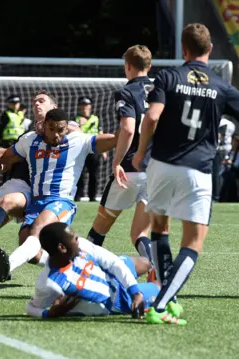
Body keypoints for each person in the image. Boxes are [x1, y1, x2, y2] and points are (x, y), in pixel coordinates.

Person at [131, 23, 239, 325]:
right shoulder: (221, 86)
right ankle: (161, 304)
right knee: (193, 243)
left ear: (184, 48)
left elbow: (151, 117)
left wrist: (140, 152)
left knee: (160, 230)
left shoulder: (167, 76)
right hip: (197, 170)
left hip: (161, 166)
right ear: (210, 49)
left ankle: (168, 297)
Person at [0, 108, 117, 282]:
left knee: (36, 231)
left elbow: (114, 140)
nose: (56, 134)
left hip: (61, 201)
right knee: (30, 251)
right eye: (52, 129)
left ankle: (8, 265)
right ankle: (71, 263)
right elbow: (6, 158)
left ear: (67, 128)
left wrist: (130, 126)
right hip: (36, 202)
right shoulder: (29, 140)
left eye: (61, 129)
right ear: (44, 126)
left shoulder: (79, 141)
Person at [0, 90, 77, 281]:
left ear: (54, 107)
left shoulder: (64, 129)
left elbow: (81, 134)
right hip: (14, 184)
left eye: (41, 101)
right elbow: (5, 163)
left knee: (9, 205)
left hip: (34, 191)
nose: (36, 103)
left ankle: (7, 263)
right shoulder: (28, 135)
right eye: (34, 101)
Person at [85, 45, 155, 274]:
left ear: (127, 66)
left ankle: (80, 274)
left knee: (101, 226)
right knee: (140, 234)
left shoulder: (127, 92)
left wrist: (116, 163)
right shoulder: (161, 92)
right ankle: (155, 272)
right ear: (150, 66)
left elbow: (127, 129)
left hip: (131, 169)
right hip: (157, 171)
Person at [26, 222, 161, 319]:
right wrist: (48, 314)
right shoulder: (50, 283)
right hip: (115, 300)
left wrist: (135, 292)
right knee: (161, 288)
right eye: (75, 239)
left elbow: (113, 262)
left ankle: (141, 285)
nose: (79, 240)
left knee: (145, 263)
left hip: (110, 274)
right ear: (62, 248)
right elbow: (31, 307)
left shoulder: (82, 246)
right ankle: (150, 287)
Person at [74, 96, 104, 202]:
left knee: (94, 174)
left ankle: (93, 196)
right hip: (80, 150)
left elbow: (100, 133)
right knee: (79, 174)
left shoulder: (95, 118)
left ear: (90, 106)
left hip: (94, 149)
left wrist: (103, 150)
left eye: (86, 105)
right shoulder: (75, 119)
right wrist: (79, 125)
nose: (84, 107)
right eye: (82, 105)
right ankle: (77, 196)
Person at [214, 116, 235, 202]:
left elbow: (221, 136)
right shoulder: (231, 124)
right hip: (226, 150)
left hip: (220, 150)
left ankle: (216, 196)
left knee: (217, 175)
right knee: (220, 175)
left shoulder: (222, 123)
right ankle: (218, 196)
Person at [219, 134, 239, 202]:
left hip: (235, 172)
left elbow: (237, 164)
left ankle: (230, 199)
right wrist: (225, 162)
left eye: (233, 141)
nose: (231, 143)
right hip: (228, 171)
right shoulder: (231, 151)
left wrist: (229, 162)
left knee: (231, 183)